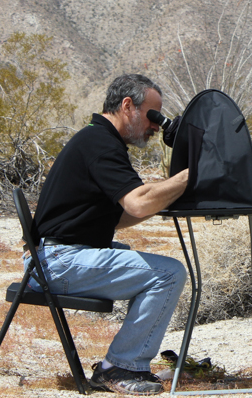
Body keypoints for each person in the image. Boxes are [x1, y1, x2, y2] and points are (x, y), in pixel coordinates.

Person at [30, 73, 190, 395]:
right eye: (152, 115)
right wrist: (193, 174)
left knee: (136, 257)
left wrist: (164, 195)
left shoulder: (97, 139)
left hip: (51, 257)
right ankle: (120, 367)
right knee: (168, 274)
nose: (157, 126)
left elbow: (121, 215)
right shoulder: (100, 144)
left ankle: (126, 360)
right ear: (128, 106)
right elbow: (138, 203)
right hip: (56, 262)